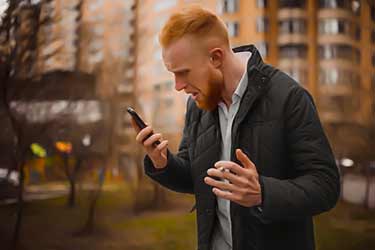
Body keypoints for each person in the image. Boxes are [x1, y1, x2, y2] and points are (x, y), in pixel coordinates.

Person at [131, 6, 340, 250]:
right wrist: (162, 162)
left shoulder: (289, 98)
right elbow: (196, 177)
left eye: (183, 73)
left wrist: (263, 192)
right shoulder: (197, 105)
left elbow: (325, 185)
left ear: (216, 57)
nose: (178, 86)